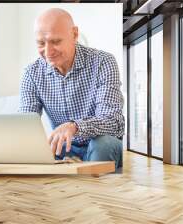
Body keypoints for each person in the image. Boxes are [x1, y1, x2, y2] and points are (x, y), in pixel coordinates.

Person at [18, 8, 124, 170]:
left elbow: (113, 122)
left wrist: (74, 126)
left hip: (98, 143)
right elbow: (25, 123)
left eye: (55, 42)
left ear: (74, 35)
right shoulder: (31, 73)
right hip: (62, 148)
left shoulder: (103, 62)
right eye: (41, 43)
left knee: (103, 144)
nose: (48, 52)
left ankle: (97, 192)